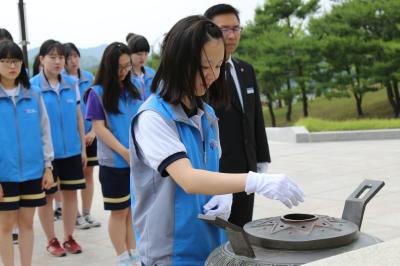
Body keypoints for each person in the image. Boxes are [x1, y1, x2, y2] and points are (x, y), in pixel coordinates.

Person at [129, 15, 304, 266]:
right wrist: (256, 181)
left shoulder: (207, 115)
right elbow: (188, 179)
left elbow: (211, 171)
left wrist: (225, 194)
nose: (212, 75)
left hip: (210, 245)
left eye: (219, 65)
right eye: (203, 66)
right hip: (170, 252)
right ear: (178, 62)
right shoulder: (153, 118)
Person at [205, 4, 272, 227]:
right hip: (218, 170)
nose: (232, 35)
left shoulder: (245, 69)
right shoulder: (205, 73)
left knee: (243, 227)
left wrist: (261, 158)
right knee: (220, 233)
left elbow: (254, 117)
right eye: (225, 29)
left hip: (247, 167)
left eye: (236, 28)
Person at [85, 42, 142, 266]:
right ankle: (122, 256)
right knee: (118, 211)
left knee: (131, 211)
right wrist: (123, 151)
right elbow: (99, 128)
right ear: (109, 66)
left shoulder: (134, 87)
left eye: (128, 66)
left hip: (136, 160)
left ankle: (134, 253)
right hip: (114, 163)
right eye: (120, 67)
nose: (125, 71)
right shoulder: (96, 93)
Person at [30, 39, 87, 257]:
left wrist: (82, 148)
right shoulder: (32, 87)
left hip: (71, 150)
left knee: (71, 195)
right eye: (52, 57)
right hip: (46, 155)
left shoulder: (72, 83)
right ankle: (51, 240)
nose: (58, 61)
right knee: (47, 196)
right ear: (41, 59)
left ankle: (69, 237)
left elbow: (78, 117)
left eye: (61, 57)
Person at [0, 40, 53, 266]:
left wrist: (48, 167)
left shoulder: (34, 94)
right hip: (5, 174)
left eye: (16, 60)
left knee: (27, 224)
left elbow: (45, 132)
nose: (12, 66)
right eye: (6, 61)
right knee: (5, 225)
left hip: (33, 171)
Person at [63, 42, 101, 230]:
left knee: (89, 174)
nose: (73, 60)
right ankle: (75, 215)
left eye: (76, 56)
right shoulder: (61, 80)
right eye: (69, 57)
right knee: (72, 179)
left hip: (91, 134)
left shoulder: (88, 77)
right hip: (73, 138)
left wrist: (93, 131)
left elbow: (98, 106)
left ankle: (86, 213)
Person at [126, 33, 155, 100]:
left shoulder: (151, 73)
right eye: (139, 54)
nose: (143, 57)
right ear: (130, 53)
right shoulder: (125, 76)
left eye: (146, 54)